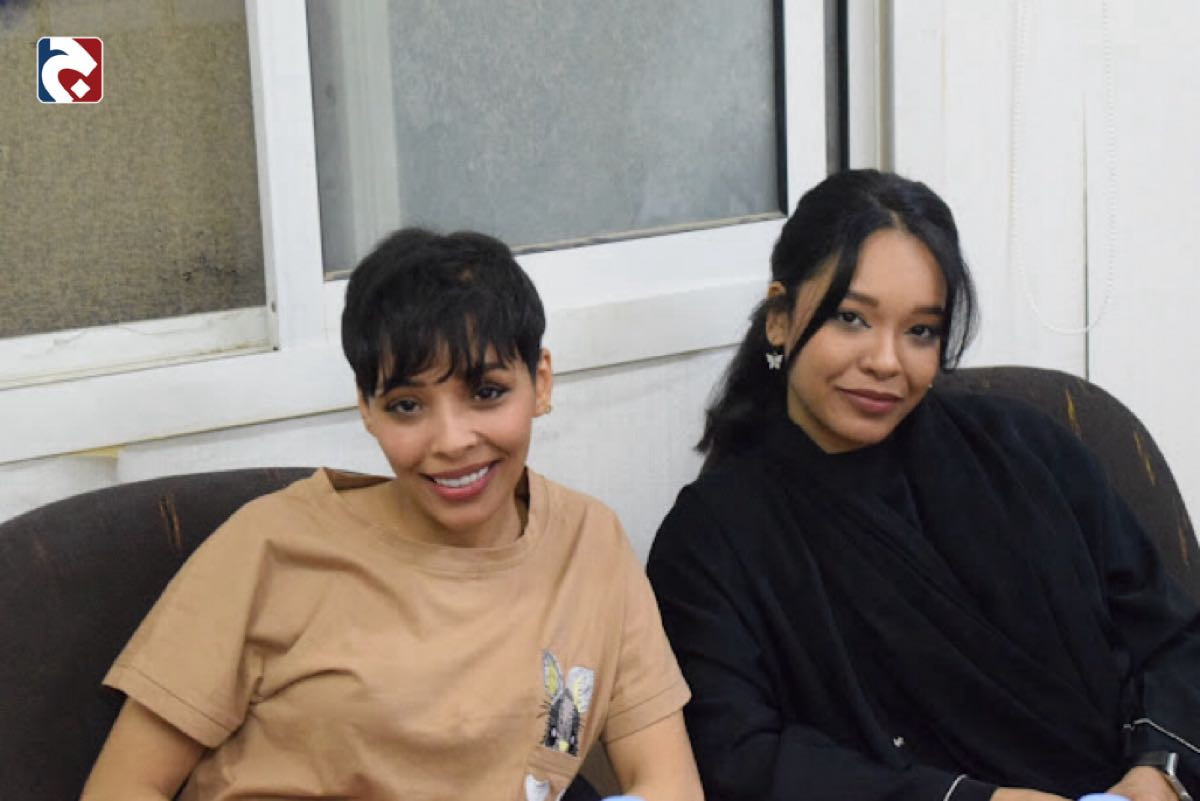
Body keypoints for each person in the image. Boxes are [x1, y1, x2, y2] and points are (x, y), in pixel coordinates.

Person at [81, 229, 703, 801]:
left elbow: (668, 782)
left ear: (540, 382)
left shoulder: (590, 544)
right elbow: (123, 789)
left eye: (486, 393)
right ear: (366, 408)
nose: (451, 440)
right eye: (407, 405)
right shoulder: (268, 547)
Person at [646, 170, 1200, 801]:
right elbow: (738, 756)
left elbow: (1174, 636)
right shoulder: (715, 537)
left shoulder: (1030, 449)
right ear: (779, 317)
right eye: (851, 318)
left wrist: (1159, 773)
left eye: (920, 331)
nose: (886, 361)